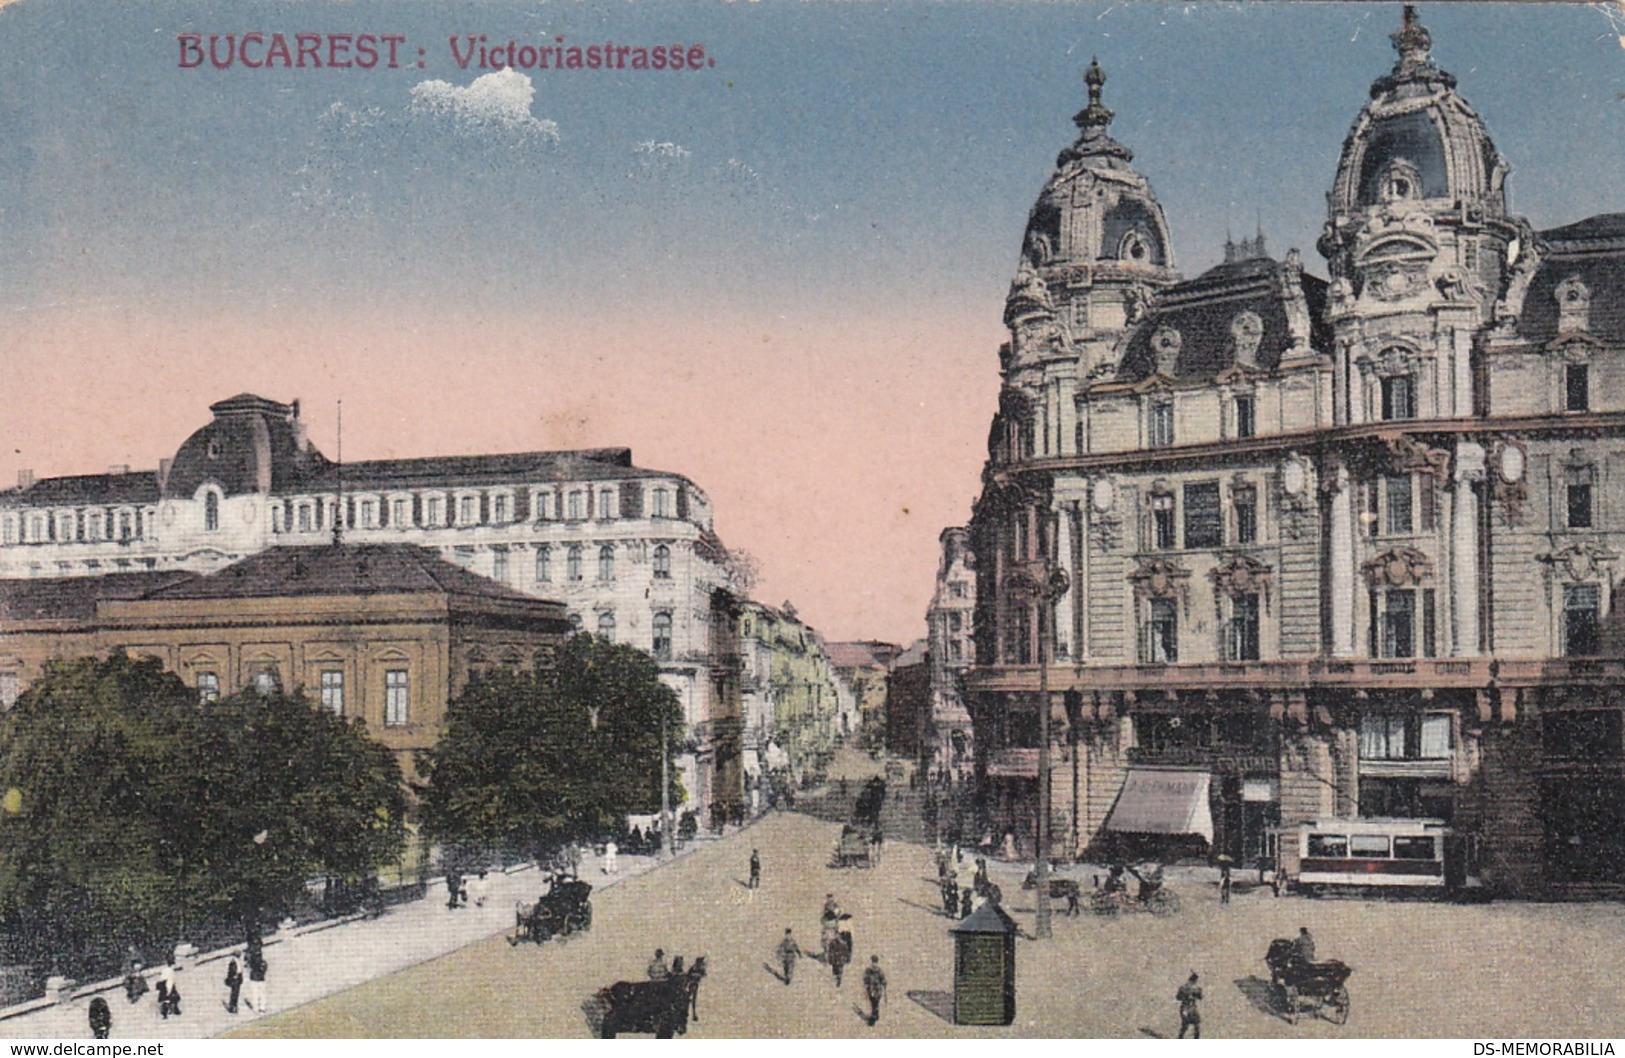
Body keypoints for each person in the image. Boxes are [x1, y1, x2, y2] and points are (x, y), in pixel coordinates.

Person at [862, 955, 887, 1026]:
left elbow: (865, 979)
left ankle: (874, 1015)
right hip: (878, 989)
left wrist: (866, 985)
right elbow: (883, 979)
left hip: (871, 989)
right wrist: (884, 984)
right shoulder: (879, 970)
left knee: (873, 1002)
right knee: (876, 1002)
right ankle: (876, 1014)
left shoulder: (868, 970)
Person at [1176, 972, 1203, 1039]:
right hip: (1188, 1008)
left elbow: (1178, 997)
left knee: (1191, 1025)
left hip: (1188, 1008)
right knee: (1190, 1025)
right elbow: (1178, 997)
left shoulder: (1185, 988)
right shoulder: (1192, 988)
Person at [246, 949, 268, 1014]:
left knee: (255, 994)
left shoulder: (252, 962)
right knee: (262, 994)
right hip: (260, 979)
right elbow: (264, 970)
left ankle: (256, 1008)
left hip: (254, 979)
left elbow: (248, 968)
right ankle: (262, 1008)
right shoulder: (263, 962)